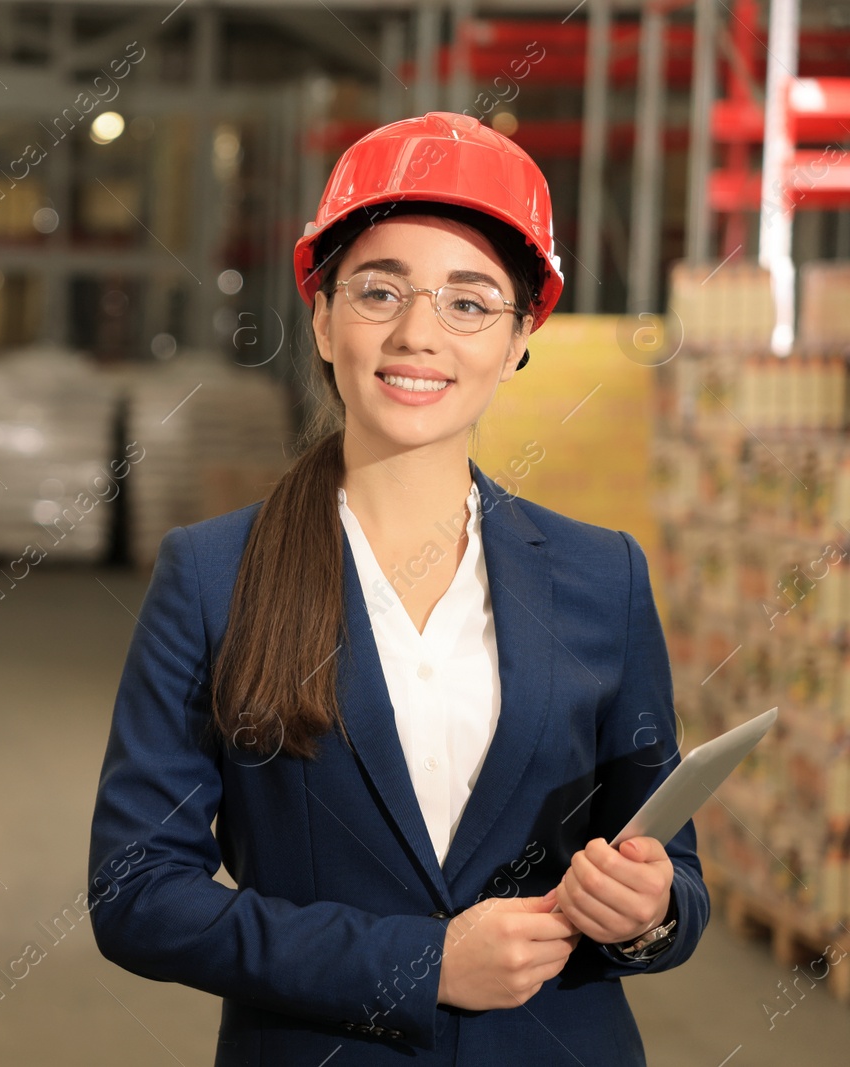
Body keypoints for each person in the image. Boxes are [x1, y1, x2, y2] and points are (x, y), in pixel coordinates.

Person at [87, 112, 705, 1065]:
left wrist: (651, 910)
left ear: (518, 339)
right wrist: (418, 963)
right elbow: (135, 891)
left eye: (469, 303)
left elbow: (676, 874)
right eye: (381, 291)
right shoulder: (214, 575)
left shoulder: (601, 575)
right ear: (324, 317)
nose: (420, 334)